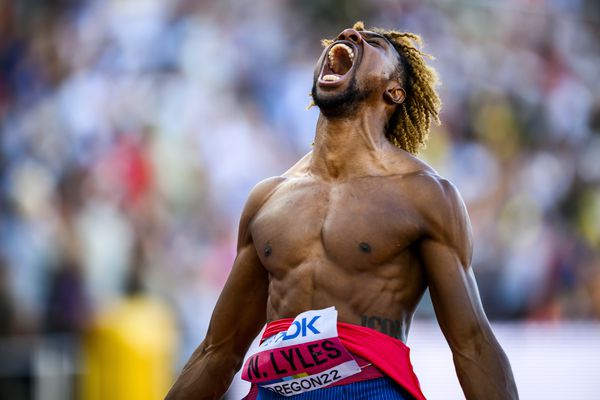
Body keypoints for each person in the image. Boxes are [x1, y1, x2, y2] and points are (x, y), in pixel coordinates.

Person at [165, 22, 519, 400]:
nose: (352, 35)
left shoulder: (425, 196)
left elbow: (473, 344)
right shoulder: (267, 199)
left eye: (375, 43)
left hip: (369, 390)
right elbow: (218, 352)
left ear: (394, 91)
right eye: (348, 35)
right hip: (272, 390)